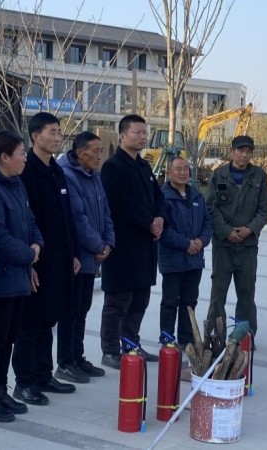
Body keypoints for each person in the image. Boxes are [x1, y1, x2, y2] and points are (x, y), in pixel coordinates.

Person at [0, 131, 44, 422]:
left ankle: (1, 391)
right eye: (21, 153)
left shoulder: (17, 184)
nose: (25, 158)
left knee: (8, 339)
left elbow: (31, 222)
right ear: (4, 157)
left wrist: (37, 244)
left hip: (18, 278)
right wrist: (28, 254)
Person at [12, 112, 80, 405]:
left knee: (49, 318)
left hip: (59, 259)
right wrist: (29, 262)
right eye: (52, 132)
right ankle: (24, 382)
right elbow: (24, 221)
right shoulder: (26, 172)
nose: (57, 137)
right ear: (35, 136)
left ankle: (43, 374)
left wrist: (73, 254)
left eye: (59, 132)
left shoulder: (56, 170)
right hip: (37, 259)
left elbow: (66, 217)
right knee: (31, 322)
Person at [99, 114, 167, 370]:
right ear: (122, 135)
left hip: (145, 246)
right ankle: (109, 350)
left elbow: (158, 197)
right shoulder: (113, 167)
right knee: (117, 301)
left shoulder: (144, 166)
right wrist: (149, 222)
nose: (142, 137)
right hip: (123, 246)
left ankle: (131, 345)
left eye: (144, 132)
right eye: (137, 132)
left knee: (140, 300)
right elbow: (120, 204)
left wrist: (160, 218)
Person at [56, 131, 115, 381]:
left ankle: (77, 358)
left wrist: (108, 243)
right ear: (80, 152)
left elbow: (106, 212)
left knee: (82, 309)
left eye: (101, 151)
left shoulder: (95, 176)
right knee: (70, 311)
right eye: (96, 151)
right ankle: (65, 362)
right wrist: (98, 245)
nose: (100, 155)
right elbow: (78, 219)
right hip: (78, 256)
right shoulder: (68, 175)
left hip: (93, 254)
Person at [206, 135, 267, 336]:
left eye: (248, 152)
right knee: (218, 293)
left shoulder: (259, 176)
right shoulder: (219, 175)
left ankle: (244, 337)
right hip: (223, 245)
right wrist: (227, 231)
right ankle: (215, 336)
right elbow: (211, 208)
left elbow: (264, 209)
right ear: (232, 151)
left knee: (246, 292)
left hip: (247, 245)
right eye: (240, 151)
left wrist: (250, 229)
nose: (244, 155)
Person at [158, 157, 212, 346]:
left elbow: (207, 222)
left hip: (194, 260)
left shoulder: (197, 196)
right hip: (173, 260)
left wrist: (201, 241)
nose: (183, 173)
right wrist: (186, 244)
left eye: (186, 169)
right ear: (169, 172)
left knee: (190, 302)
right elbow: (164, 230)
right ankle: (167, 338)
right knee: (170, 301)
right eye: (178, 169)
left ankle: (186, 339)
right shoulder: (163, 197)